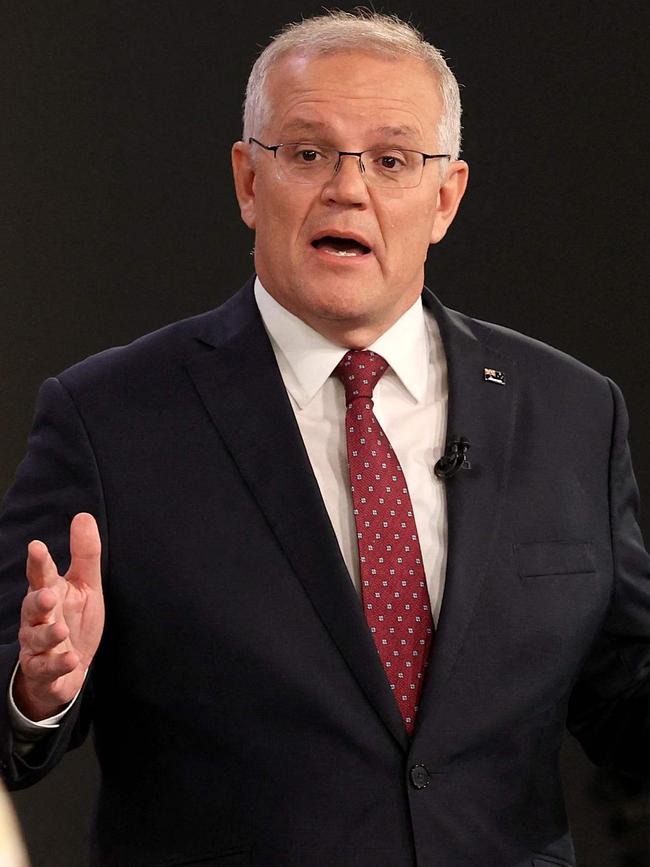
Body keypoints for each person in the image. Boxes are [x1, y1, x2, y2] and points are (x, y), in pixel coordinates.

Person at [1, 9, 649, 867]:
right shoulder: (111, 417)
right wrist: (37, 685)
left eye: (390, 160)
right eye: (308, 154)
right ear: (246, 179)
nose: (348, 189)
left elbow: (625, 698)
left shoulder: (571, 410)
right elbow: (16, 682)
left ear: (446, 196)